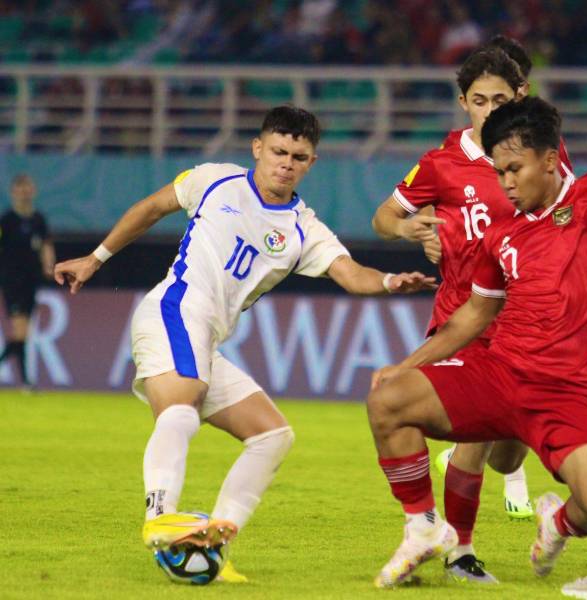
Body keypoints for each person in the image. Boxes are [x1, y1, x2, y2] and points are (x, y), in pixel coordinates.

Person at [53, 106, 436, 583]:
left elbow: (352, 274)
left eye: (299, 156)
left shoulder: (303, 228)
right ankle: (161, 518)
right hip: (173, 310)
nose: (286, 162)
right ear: (258, 148)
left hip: (205, 338)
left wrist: (392, 280)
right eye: (278, 150)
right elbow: (152, 208)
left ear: (311, 163)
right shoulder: (215, 180)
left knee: (273, 435)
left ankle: (213, 540)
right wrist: (95, 259)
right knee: (181, 406)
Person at [371, 43, 587, 584]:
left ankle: (557, 522)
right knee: (387, 398)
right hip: (498, 371)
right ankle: (436, 535)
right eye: (499, 172)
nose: (506, 183)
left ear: (548, 159)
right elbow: (474, 314)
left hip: (564, 388)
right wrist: (405, 366)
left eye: (514, 169)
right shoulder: (500, 231)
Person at [0, 174, 55, 390]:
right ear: (13, 192)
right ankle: (26, 382)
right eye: (19, 189)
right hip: (12, 279)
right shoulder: (6, 220)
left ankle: (25, 382)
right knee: (21, 331)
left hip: (32, 280)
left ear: (33, 191)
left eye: (27, 188)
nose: (23, 192)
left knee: (23, 333)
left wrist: (49, 265)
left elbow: (46, 244)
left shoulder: (38, 219)